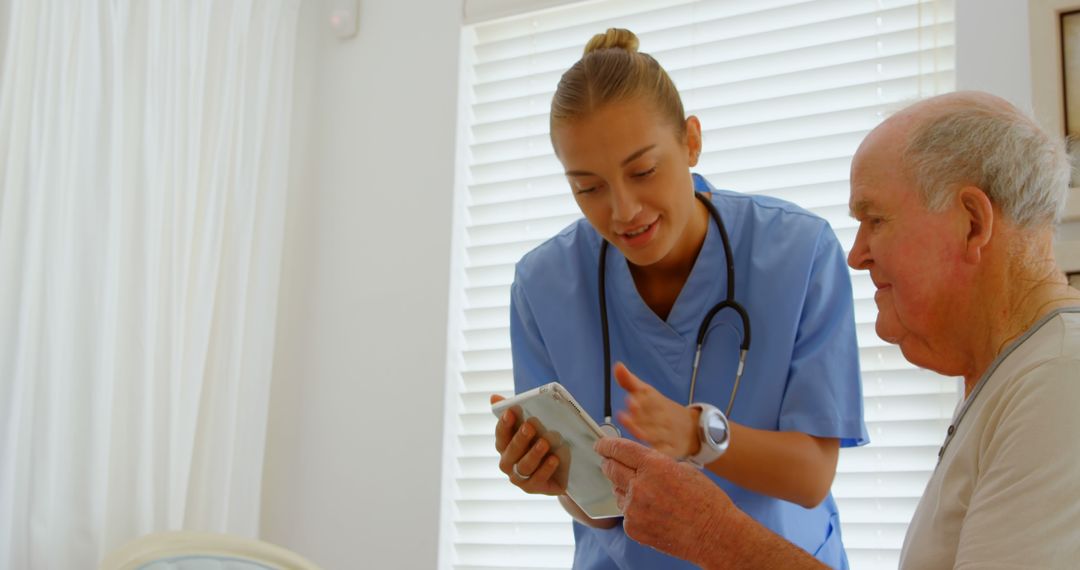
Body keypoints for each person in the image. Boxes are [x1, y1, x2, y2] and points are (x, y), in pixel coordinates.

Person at [596, 90, 1080, 569]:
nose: (857, 254)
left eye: (875, 219)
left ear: (973, 224)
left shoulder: (1060, 384)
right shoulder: (1022, 376)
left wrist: (711, 534)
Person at [490, 28, 867, 569]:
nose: (623, 210)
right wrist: (550, 478)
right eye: (588, 188)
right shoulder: (543, 285)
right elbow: (599, 511)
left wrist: (698, 434)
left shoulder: (797, 251)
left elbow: (810, 478)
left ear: (691, 141)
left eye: (643, 171)